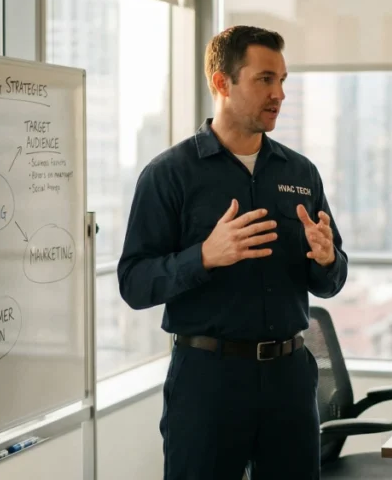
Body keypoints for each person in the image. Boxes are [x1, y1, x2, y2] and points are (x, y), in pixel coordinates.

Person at [117, 25, 348, 480]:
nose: (279, 93)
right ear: (222, 82)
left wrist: (326, 260)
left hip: (289, 382)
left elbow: (333, 279)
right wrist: (203, 255)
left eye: (283, 80)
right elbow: (134, 282)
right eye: (265, 79)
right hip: (207, 380)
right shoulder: (169, 175)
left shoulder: (301, 172)